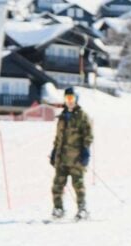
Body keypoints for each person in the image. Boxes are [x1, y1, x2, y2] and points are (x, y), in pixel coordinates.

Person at [49, 87, 93, 220]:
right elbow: (58, 137)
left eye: (72, 98)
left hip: (76, 158)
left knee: (78, 185)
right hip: (62, 158)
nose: (69, 101)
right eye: (67, 98)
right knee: (57, 185)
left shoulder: (82, 116)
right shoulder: (62, 117)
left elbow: (88, 135)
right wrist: (54, 151)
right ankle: (58, 208)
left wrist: (85, 151)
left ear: (76, 99)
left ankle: (82, 209)